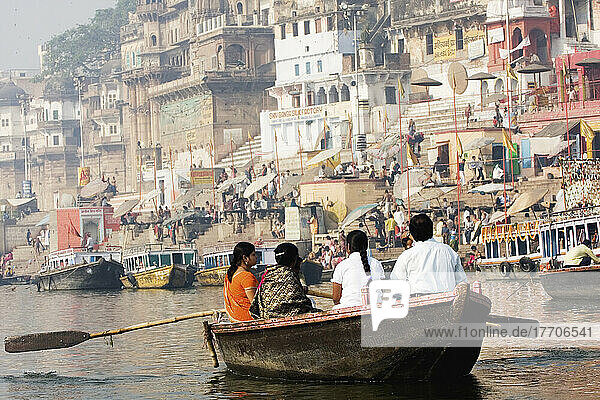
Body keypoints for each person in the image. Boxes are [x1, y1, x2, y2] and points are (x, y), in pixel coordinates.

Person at [391, 214, 467, 294]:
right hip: (448, 301)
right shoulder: (449, 251)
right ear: (431, 230)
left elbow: (396, 283)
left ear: (412, 235)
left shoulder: (406, 255)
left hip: (418, 302)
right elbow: (462, 282)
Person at [249, 243, 320, 319]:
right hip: (284, 320)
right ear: (294, 260)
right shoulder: (289, 275)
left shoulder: (268, 274)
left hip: (266, 319)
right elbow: (303, 306)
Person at [331, 230, 385, 309]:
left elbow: (336, 299)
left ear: (348, 247)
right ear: (366, 247)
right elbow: (383, 291)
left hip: (349, 309)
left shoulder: (341, 266)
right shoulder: (376, 263)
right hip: (375, 307)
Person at [223, 242, 259, 322]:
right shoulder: (246, 277)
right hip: (248, 319)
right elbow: (255, 304)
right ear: (245, 258)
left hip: (235, 319)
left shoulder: (230, 274)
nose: (256, 257)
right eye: (253, 255)